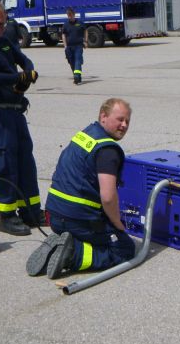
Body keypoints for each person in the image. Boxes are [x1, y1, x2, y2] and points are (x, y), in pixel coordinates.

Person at [27, 98, 134, 280]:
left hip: (53, 216)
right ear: (103, 117)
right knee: (125, 247)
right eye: (120, 119)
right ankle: (72, 254)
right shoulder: (108, 150)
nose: (124, 125)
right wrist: (118, 224)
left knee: (103, 233)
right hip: (78, 221)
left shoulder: (86, 134)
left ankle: (60, 242)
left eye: (127, 121)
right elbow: (108, 197)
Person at [0, 0, 46, 236]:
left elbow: (24, 60)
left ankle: (31, 211)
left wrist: (29, 72)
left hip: (14, 112)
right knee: (3, 165)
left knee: (25, 162)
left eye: (2, 24)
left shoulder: (5, 41)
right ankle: (7, 216)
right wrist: (16, 78)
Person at [61, 7, 87, 84]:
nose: (69, 16)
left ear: (74, 14)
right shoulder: (66, 25)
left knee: (78, 60)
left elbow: (85, 31)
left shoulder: (80, 23)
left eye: (70, 15)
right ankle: (77, 76)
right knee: (71, 62)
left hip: (78, 46)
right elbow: (63, 35)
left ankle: (76, 76)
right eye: (68, 15)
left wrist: (85, 41)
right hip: (69, 47)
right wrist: (65, 46)